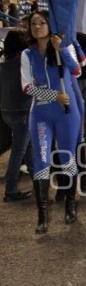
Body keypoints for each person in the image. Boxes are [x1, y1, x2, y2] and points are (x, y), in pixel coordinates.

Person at [21, 10, 81, 233]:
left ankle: (70, 204)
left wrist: (61, 50)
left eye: (42, 22)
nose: (37, 27)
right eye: (33, 23)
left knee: (67, 159)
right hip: (41, 114)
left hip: (67, 112)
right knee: (41, 162)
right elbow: (27, 87)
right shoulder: (27, 54)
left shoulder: (65, 46)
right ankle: (42, 215)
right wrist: (52, 95)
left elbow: (76, 70)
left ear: (50, 25)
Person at [0, 29, 34, 202]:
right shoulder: (23, 60)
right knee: (19, 152)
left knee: (28, 149)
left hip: (6, 110)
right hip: (21, 110)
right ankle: (10, 189)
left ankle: (39, 183)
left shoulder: (3, 60)